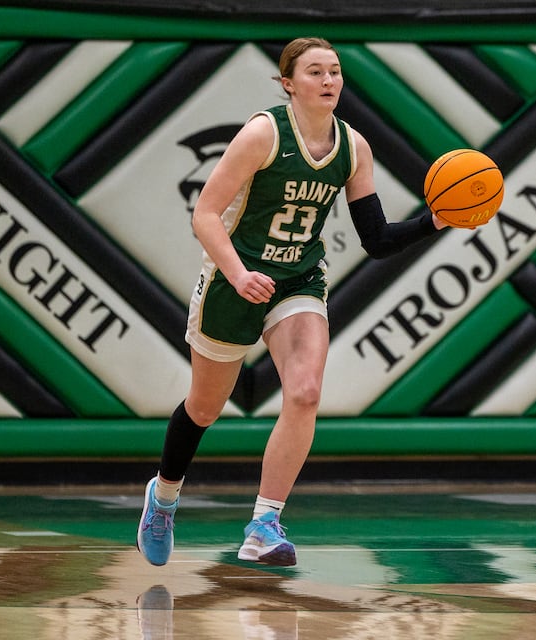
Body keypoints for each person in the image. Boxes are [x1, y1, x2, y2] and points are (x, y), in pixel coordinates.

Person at [137, 37, 449, 567]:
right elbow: (206, 215)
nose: (328, 80)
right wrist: (238, 274)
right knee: (206, 406)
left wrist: (435, 222)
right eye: (314, 72)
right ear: (288, 83)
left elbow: (375, 240)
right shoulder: (263, 133)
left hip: (300, 279)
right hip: (235, 278)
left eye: (335, 71)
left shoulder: (354, 148)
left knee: (304, 392)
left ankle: (264, 523)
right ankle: (163, 496)